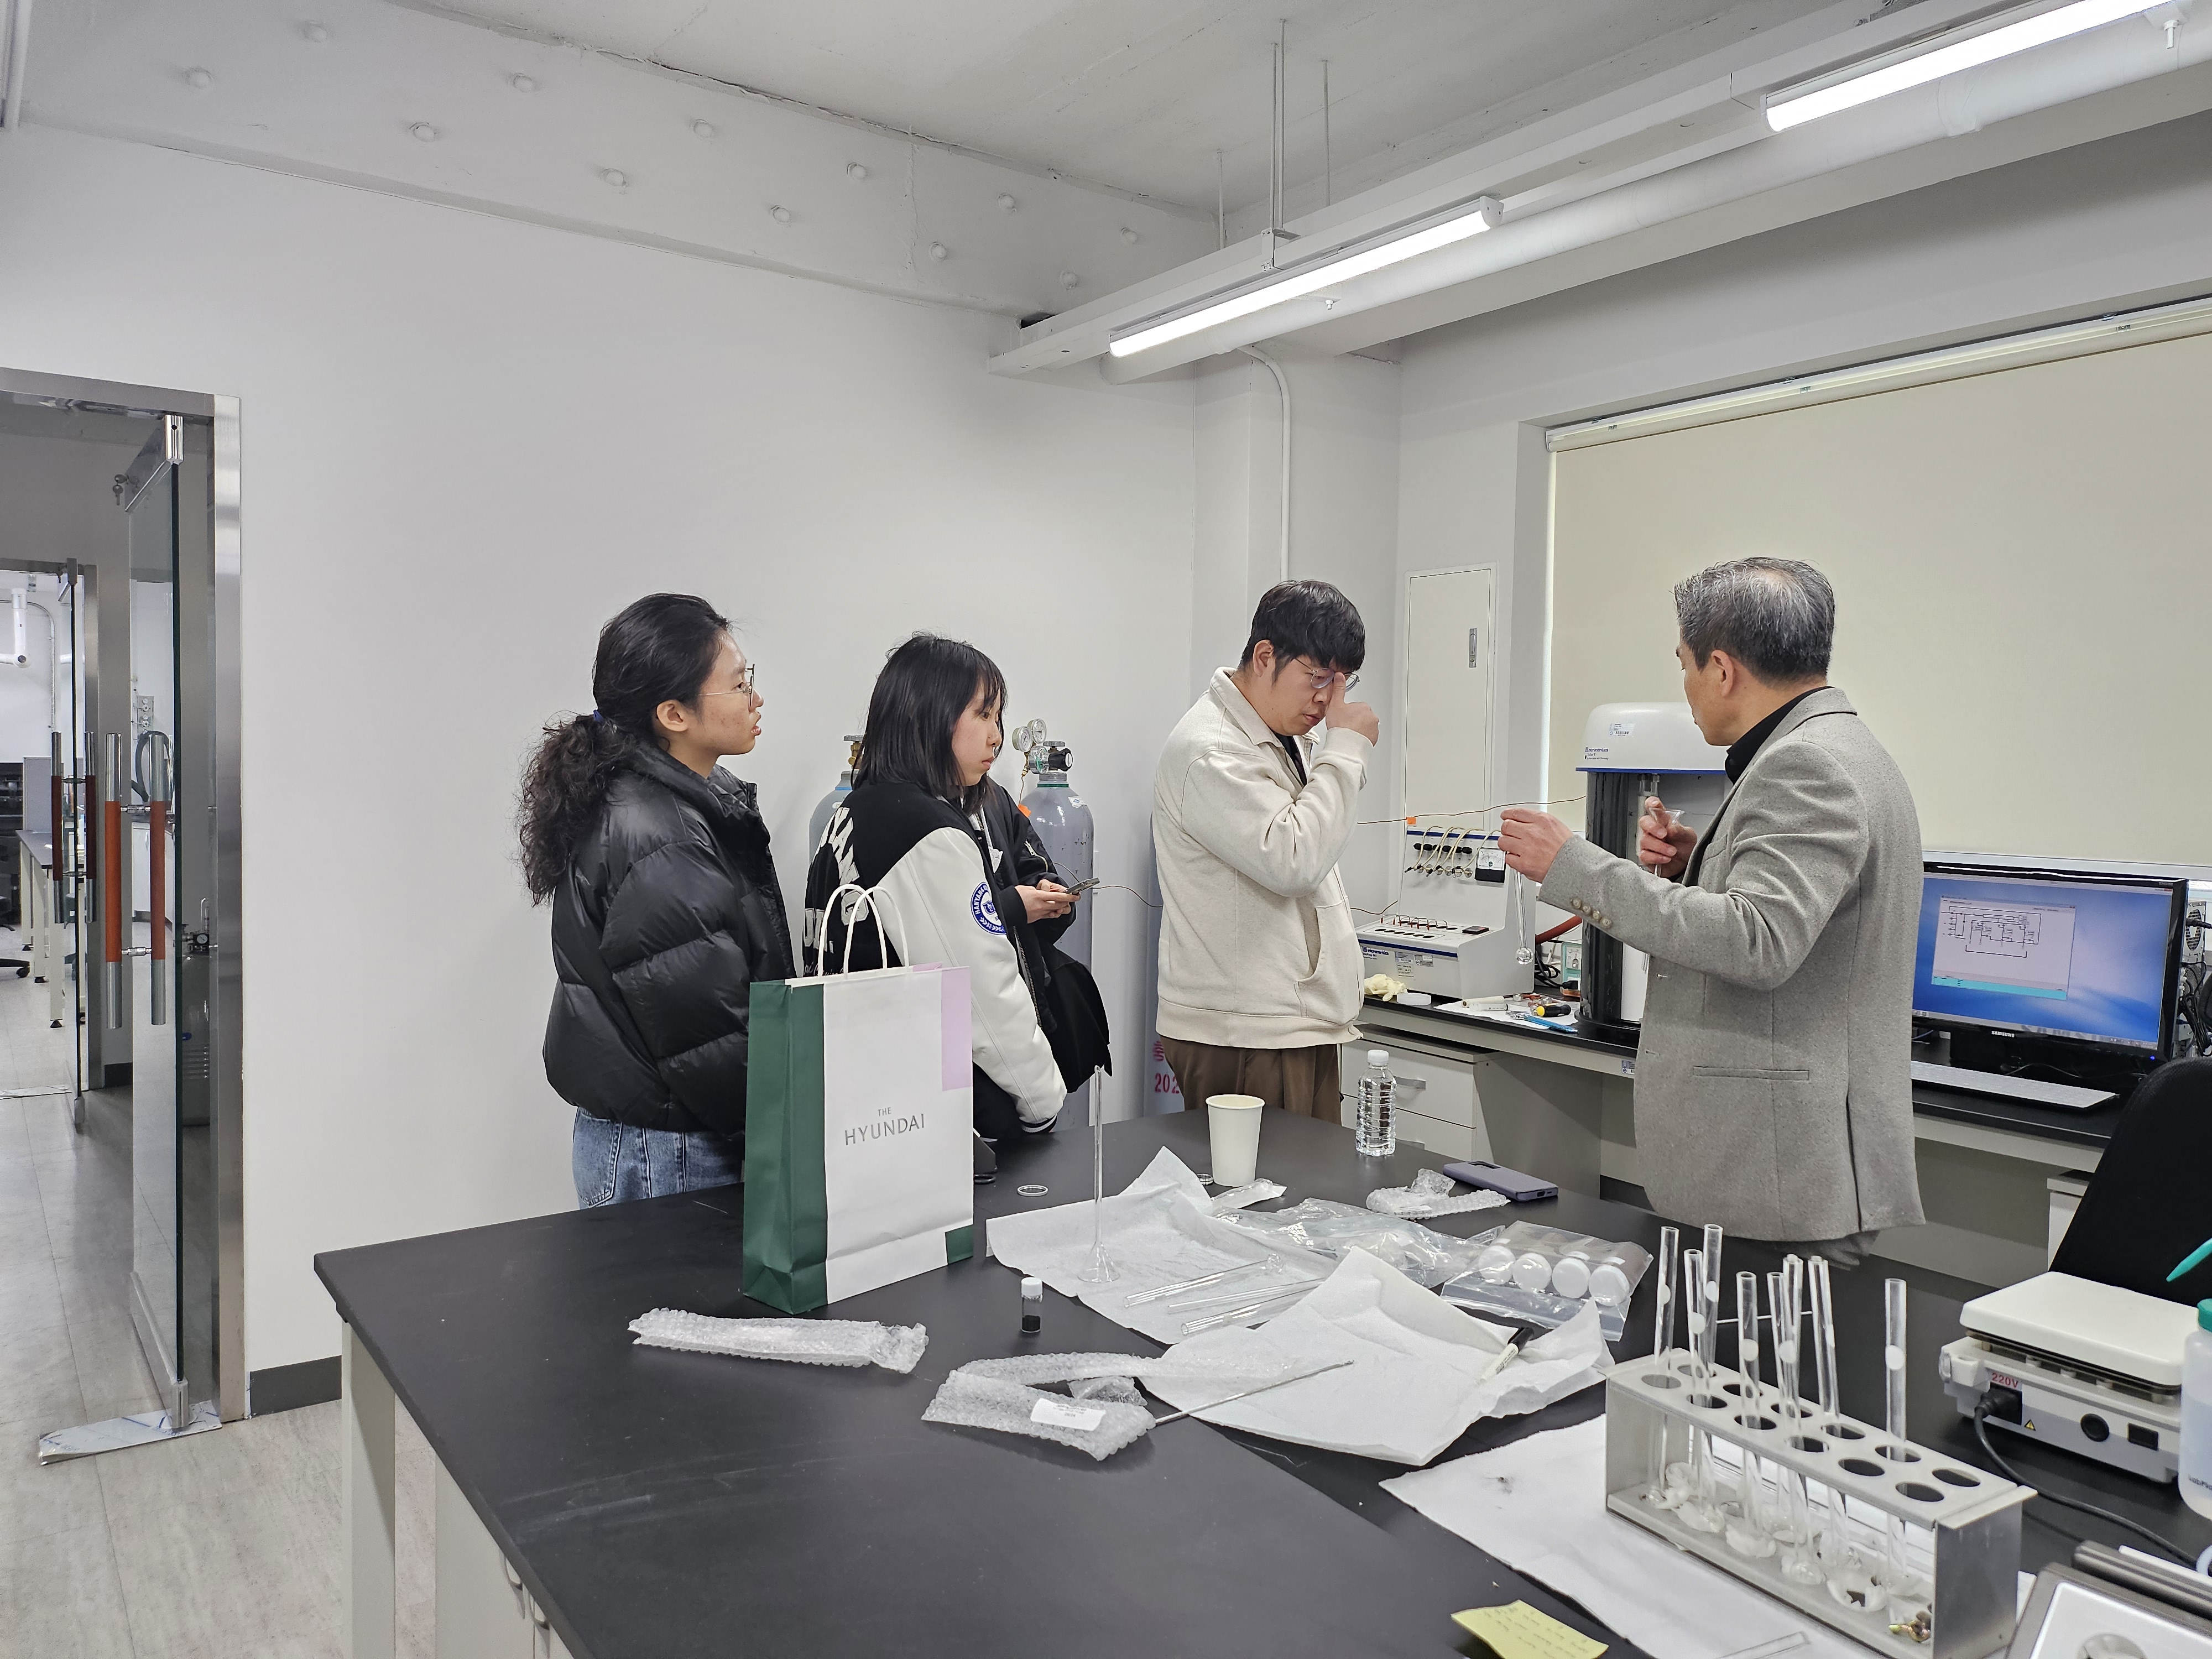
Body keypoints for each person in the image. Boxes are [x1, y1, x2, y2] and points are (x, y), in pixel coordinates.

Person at [1497, 557, 1923, 1264]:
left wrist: (1574, 866)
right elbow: (1803, 911)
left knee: (1754, 1340)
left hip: (1777, 1172)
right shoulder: (1839, 749)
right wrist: (1698, 863)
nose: (1687, 687)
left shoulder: (1806, 765)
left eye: (1684, 665)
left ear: (1721, 669)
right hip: (1787, 1162)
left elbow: (1758, 942)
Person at [519, 593, 792, 1207]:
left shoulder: (678, 801)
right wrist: (788, 1140)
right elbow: (706, 1042)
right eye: (739, 684)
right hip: (669, 1153)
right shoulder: (659, 833)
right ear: (674, 714)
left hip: (669, 1139)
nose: (756, 698)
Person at [803, 634, 1097, 1145]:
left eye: (999, 718)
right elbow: (984, 994)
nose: (997, 737)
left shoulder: (857, 810)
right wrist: (1042, 1102)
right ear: (929, 715)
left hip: (862, 1099)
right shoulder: (924, 829)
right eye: (983, 715)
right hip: (933, 1115)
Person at [1152, 580, 1379, 1119]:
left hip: (1287, 1022)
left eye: (1342, 682)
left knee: (1307, 1173)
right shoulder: (1212, 751)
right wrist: (1347, 752)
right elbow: (1295, 860)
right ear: (1264, 656)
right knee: (1266, 1174)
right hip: (1246, 1033)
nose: (1328, 700)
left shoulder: (1280, 732)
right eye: (1317, 677)